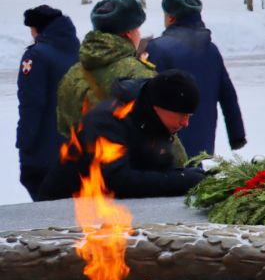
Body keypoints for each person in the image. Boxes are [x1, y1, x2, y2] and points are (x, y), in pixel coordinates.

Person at [40, 70, 207, 201]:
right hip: (62, 212)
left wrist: (190, 175)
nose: (185, 123)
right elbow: (116, 181)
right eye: (182, 115)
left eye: (189, 116)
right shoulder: (108, 121)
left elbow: (159, 170)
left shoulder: (154, 121)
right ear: (159, 106)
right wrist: (183, 180)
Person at [144, 0, 246, 157]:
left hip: (168, 142)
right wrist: (237, 135)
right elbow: (228, 95)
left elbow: (147, 96)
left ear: (170, 17)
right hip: (203, 141)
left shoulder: (158, 49)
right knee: (197, 178)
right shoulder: (211, 50)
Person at [56, 0, 153, 141]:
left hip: (84, 161)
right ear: (128, 32)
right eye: (138, 29)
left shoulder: (72, 73)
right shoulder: (138, 73)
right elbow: (161, 130)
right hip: (128, 162)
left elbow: (63, 125)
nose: (139, 34)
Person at [16, 6, 80, 200]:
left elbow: (32, 105)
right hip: (80, 150)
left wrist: (24, 143)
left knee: (47, 213)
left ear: (37, 29)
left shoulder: (36, 56)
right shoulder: (81, 53)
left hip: (45, 154)